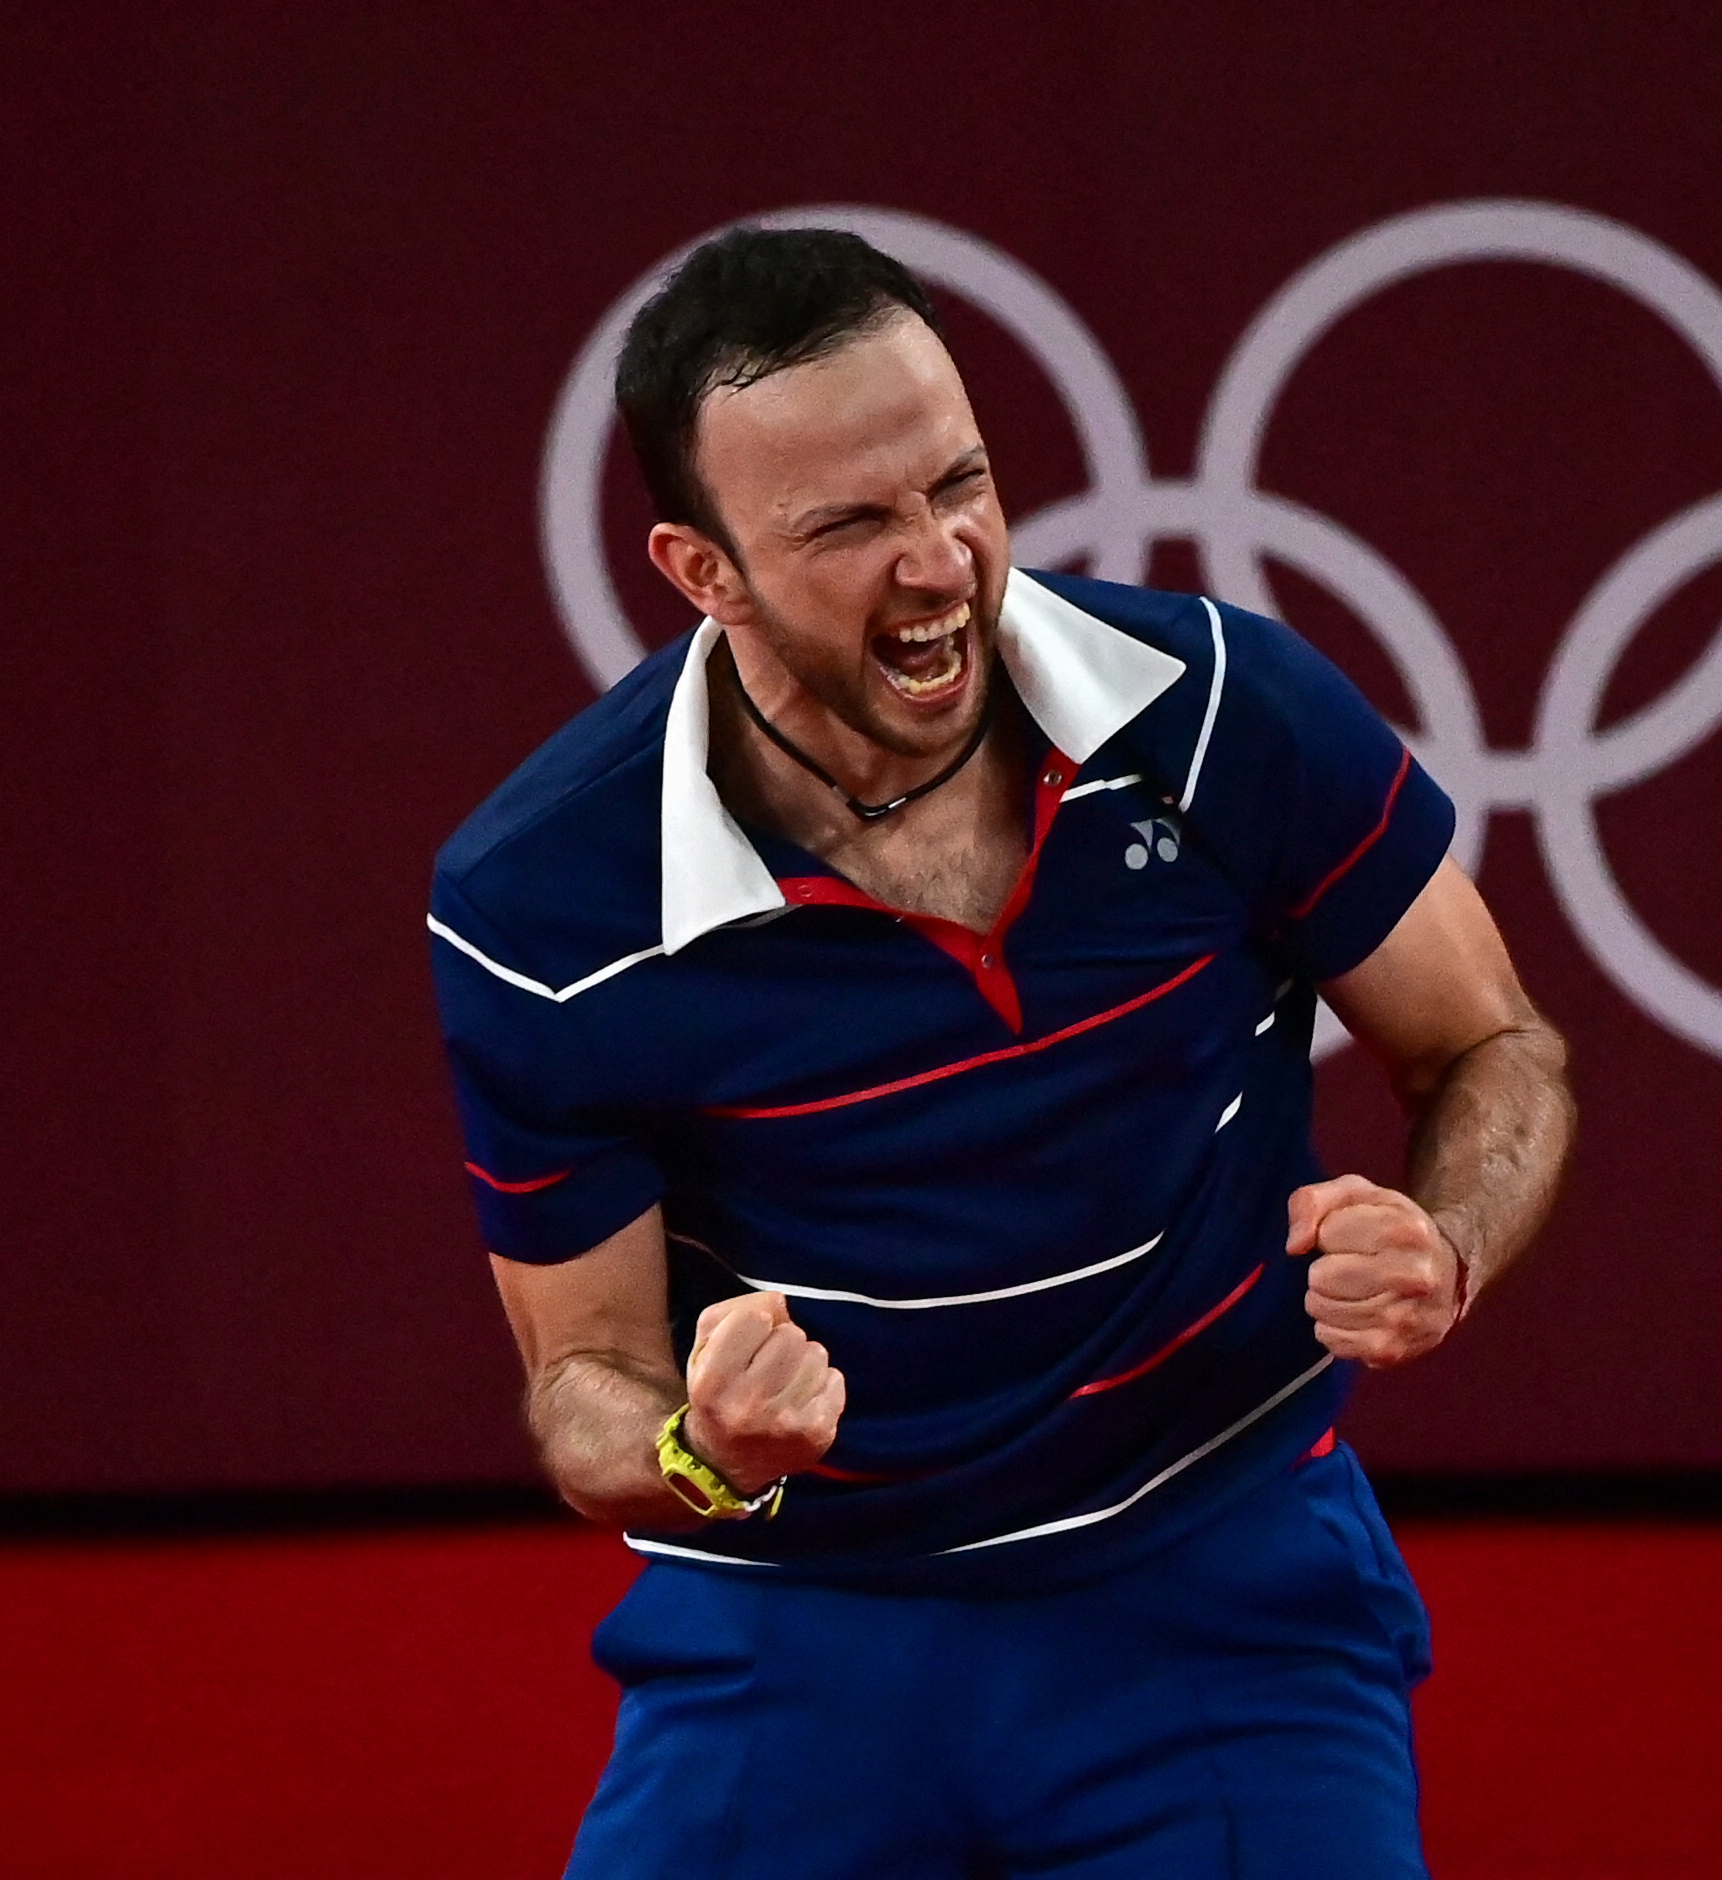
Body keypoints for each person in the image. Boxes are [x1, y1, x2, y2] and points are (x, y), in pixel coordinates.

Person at [428, 226, 1574, 1878]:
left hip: (1214, 1586)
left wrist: (1449, 1238)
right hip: (801, 1628)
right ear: (703, 571)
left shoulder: (1217, 714)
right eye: (850, 525)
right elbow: (579, 1382)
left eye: (957, 482)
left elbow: (1492, 1043)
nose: (942, 561)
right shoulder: (543, 896)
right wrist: (701, 1446)